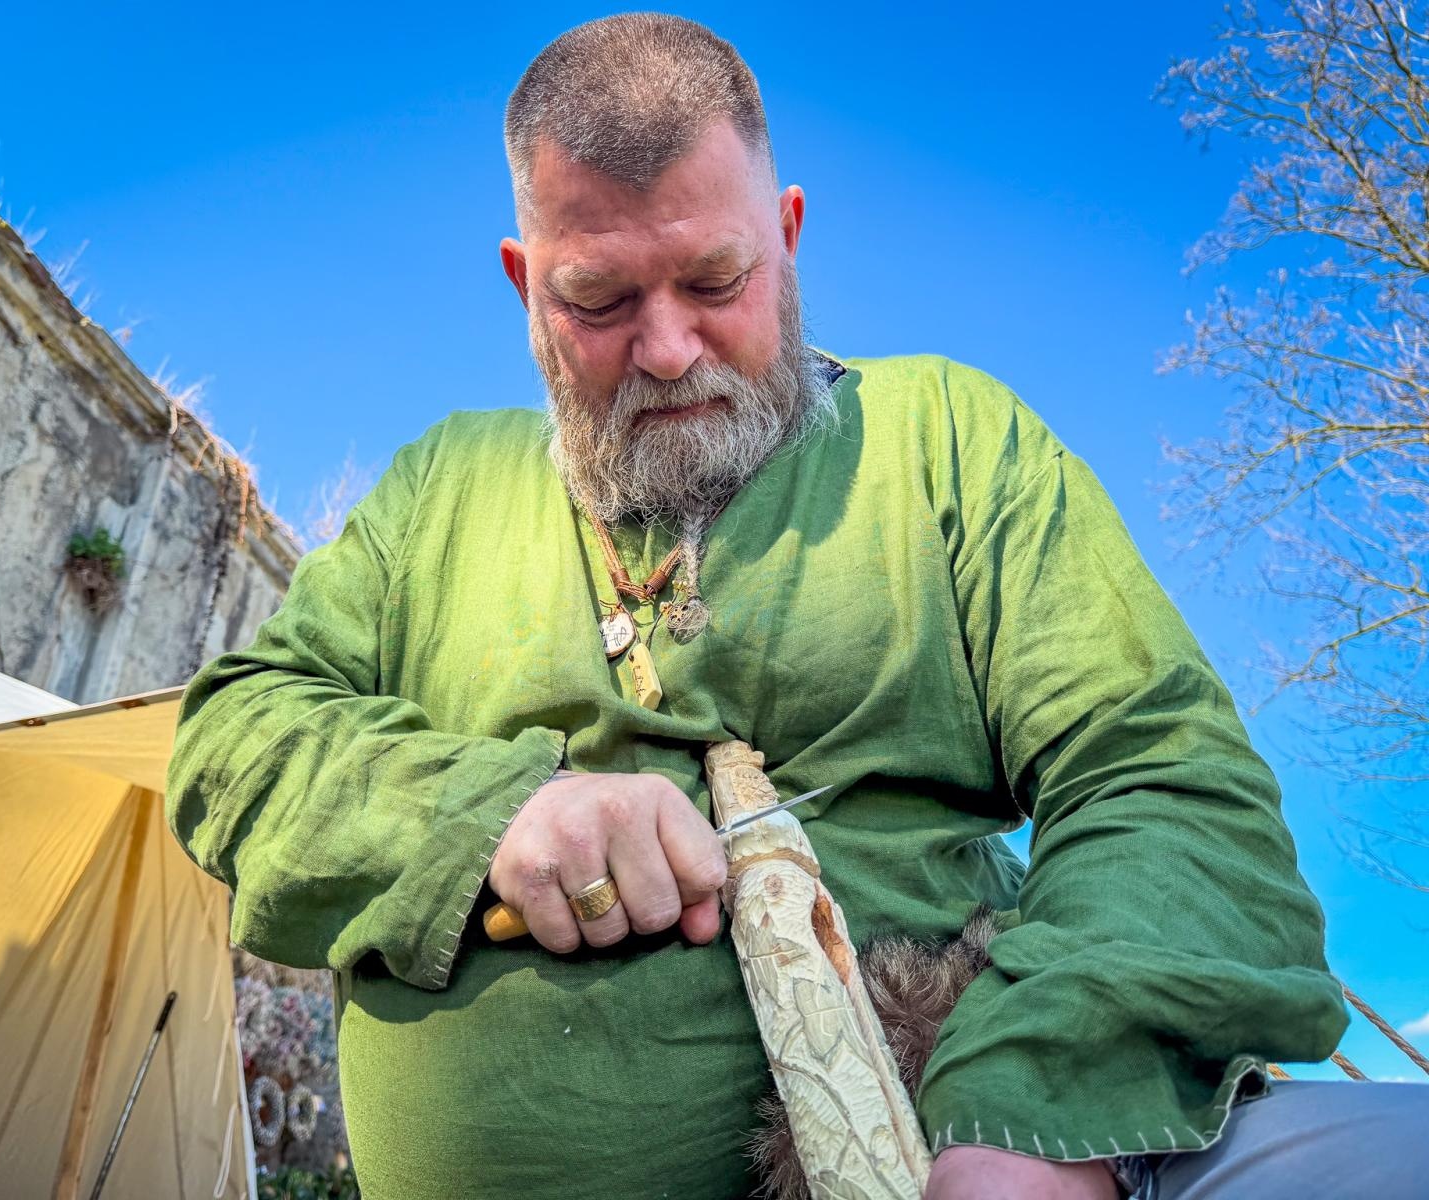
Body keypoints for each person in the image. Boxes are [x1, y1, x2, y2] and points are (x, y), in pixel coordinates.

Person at [166, 14, 1428, 1200]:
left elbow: (1159, 775)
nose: (666, 348)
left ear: (788, 232)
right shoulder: (445, 484)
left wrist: (1037, 1122)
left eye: (717, 280)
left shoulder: (948, 438)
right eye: (599, 300)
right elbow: (236, 745)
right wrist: (490, 814)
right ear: (522, 281)